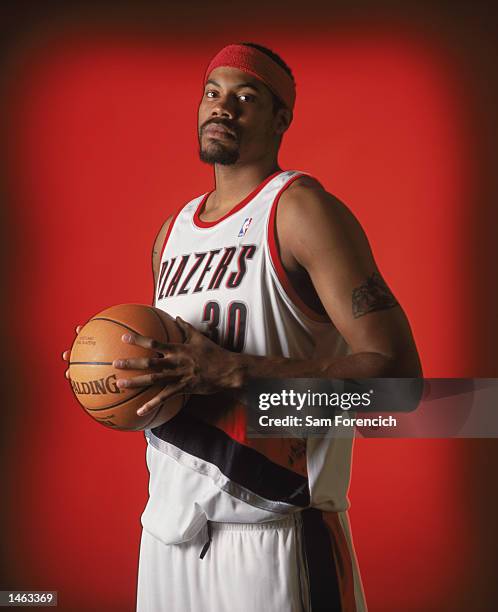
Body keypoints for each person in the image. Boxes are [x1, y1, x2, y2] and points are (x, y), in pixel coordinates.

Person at [64, 42, 421, 611]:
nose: (222, 107)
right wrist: (110, 368)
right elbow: (177, 384)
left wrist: (241, 374)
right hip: (167, 531)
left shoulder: (303, 210)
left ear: (281, 119)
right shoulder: (171, 234)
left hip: (275, 526)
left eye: (246, 96)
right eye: (212, 92)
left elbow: (401, 388)